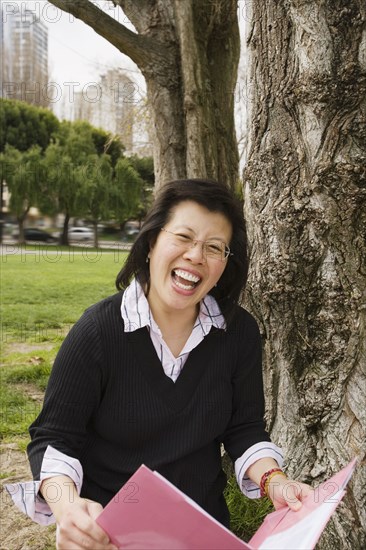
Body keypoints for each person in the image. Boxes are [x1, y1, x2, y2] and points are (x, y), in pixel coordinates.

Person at [7, 179, 311, 549]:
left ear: (224, 264)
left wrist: (275, 481)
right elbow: (54, 438)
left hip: (203, 533)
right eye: (183, 237)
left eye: (214, 247)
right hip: (111, 534)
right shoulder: (98, 331)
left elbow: (244, 429)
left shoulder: (239, 332)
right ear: (151, 242)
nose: (196, 256)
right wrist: (69, 508)